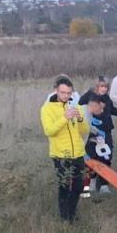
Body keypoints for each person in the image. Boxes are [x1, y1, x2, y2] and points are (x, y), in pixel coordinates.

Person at [39, 75, 90, 222]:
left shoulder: (76, 105)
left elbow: (84, 130)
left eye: (69, 93)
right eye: (63, 93)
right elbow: (49, 131)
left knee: (79, 187)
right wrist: (64, 118)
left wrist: (80, 119)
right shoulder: (47, 108)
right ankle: (65, 218)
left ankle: (72, 212)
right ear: (56, 91)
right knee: (64, 187)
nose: (66, 96)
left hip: (78, 153)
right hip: (61, 155)